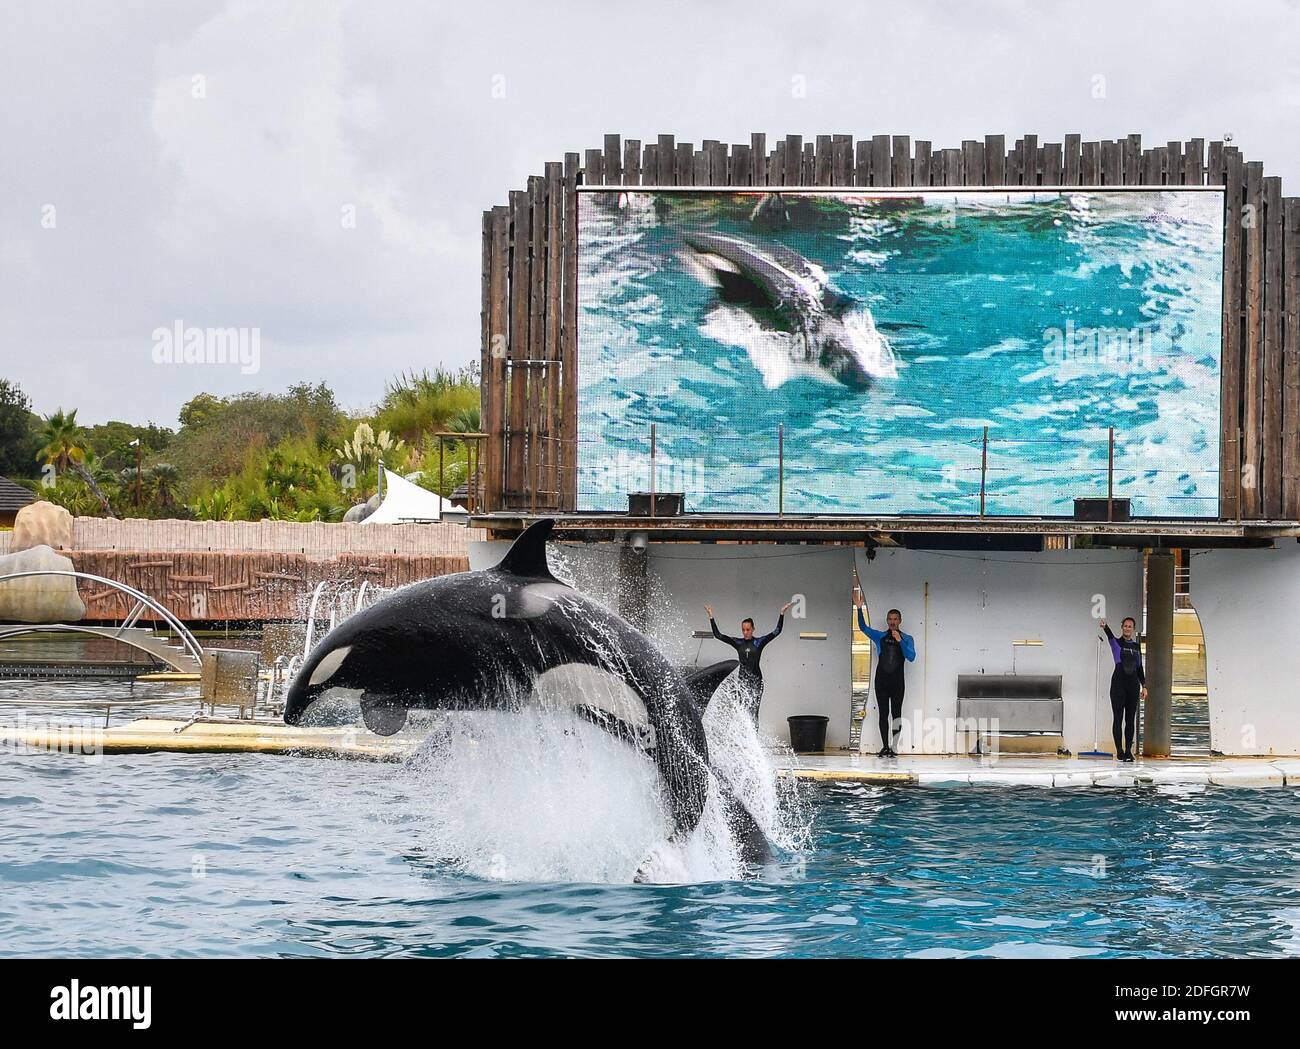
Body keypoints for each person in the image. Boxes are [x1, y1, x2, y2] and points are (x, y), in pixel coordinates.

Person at [703, 601, 792, 722]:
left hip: (756, 682)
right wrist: (711, 616)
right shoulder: (738, 643)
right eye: (743, 630)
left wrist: (782, 613)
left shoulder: (759, 642)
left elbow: (777, 631)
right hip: (743, 682)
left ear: (753, 629)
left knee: (753, 712)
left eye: (748, 629)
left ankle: (753, 738)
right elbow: (718, 635)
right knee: (743, 712)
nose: (745, 632)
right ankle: (744, 738)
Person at [854, 594, 916, 757]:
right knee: (883, 714)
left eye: (895, 619)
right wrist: (859, 609)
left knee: (896, 714)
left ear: (900, 620)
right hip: (881, 682)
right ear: (887, 621)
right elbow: (863, 628)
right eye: (890, 619)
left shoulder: (908, 639)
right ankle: (885, 746)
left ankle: (894, 747)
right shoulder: (879, 636)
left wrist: (900, 640)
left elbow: (911, 657)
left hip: (897, 683)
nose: (892, 622)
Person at [1099, 616, 1146, 762]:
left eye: (1130, 626)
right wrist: (1105, 626)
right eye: (1125, 626)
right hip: (1118, 686)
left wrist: (1144, 686)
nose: (1127, 628)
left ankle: (1128, 751)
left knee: (1130, 720)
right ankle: (1119, 750)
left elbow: (1139, 668)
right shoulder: (1116, 643)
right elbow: (1109, 635)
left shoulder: (1136, 647)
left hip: (1132, 687)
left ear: (1133, 629)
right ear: (1122, 627)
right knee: (1118, 718)